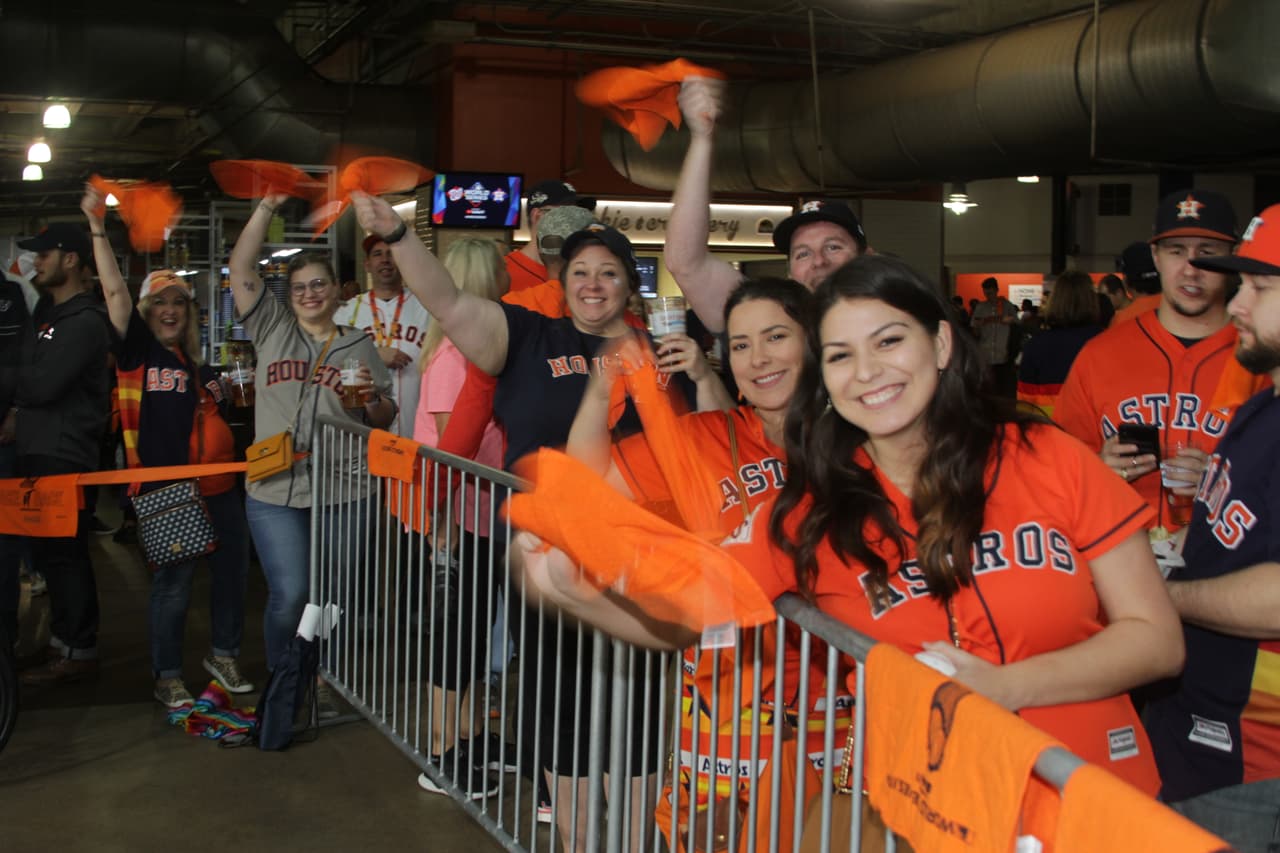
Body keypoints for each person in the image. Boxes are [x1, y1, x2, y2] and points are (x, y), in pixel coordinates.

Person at [518, 256, 1185, 796]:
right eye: (840, 355)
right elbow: (694, 611)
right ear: (824, 374)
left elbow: (1156, 640)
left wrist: (1006, 688)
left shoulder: (1048, 456)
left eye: (889, 341)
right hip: (931, 807)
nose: (867, 371)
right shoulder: (808, 509)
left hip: (1094, 794)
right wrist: (583, 585)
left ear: (942, 341)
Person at [351, 189, 692, 842]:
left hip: (639, 565)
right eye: (581, 271)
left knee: (642, 712)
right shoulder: (528, 333)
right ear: (562, 280)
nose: (594, 284)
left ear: (629, 285)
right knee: (563, 710)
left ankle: (635, 839)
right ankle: (575, 838)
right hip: (550, 561)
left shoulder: (657, 351)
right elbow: (447, 301)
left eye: (610, 272)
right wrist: (397, 233)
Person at [1142, 205, 1280, 850]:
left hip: (1257, 753)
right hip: (1202, 722)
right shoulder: (1264, 402)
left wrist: (1159, 598)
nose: (1237, 306)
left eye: (1261, 286)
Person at [82, 185, 252, 707]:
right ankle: (167, 675)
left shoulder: (193, 363)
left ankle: (222, 653)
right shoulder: (137, 351)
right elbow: (113, 293)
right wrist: (96, 226)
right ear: (146, 309)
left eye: (179, 300)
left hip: (220, 486)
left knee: (233, 574)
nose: (171, 309)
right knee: (174, 587)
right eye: (161, 301)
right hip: (167, 491)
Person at [227, 193, 395, 674]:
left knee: (334, 595)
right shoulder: (272, 330)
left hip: (345, 487)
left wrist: (364, 402)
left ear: (338, 292)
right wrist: (264, 207)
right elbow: (241, 267)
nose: (309, 293)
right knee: (292, 592)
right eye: (299, 287)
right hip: (274, 485)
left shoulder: (360, 345)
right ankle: (286, 677)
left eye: (318, 283)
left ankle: (324, 672)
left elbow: (383, 417)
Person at [1056, 189, 1267, 532]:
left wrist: (1225, 485)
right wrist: (1096, 469)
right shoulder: (1100, 355)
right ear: (1155, 257)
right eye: (1176, 251)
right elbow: (1056, 472)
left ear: (1233, 258)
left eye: (1208, 252)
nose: (1191, 269)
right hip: (1121, 558)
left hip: (1226, 566)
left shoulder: (1261, 359)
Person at [412, 236, 510, 787]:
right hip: (464, 518)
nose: (507, 275)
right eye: (499, 268)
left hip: (481, 515)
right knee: (459, 637)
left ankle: (468, 735)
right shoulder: (454, 356)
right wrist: (442, 523)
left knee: (471, 631)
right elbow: (452, 448)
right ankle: (443, 750)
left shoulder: (470, 349)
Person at [0, 222, 114, 685]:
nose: (37, 261)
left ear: (70, 259)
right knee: (49, 555)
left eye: (44, 253)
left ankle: (79, 649)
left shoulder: (84, 321)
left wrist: (15, 385)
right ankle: (60, 643)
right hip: (39, 448)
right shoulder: (51, 313)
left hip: (63, 454)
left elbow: (42, 385)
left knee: (65, 556)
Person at [664, 76, 865, 331]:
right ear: (791, 274)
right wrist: (703, 139)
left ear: (866, 258)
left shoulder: (898, 316)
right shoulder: (774, 319)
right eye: (802, 253)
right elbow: (685, 263)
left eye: (834, 246)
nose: (819, 261)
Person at [340, 233, 432, 437]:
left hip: (416, 425)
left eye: (391, 254)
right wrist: (375, 356)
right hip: (363, 431)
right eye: (377, 254)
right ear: (367, 265)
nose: (385, 260)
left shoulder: (426, 306)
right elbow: (331, 363)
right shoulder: (348, 311)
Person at [1017, 270, 1105, 418]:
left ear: (1056, 300)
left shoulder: (1036, 345)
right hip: (1095, 434)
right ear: (1091, 300)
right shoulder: (1106, 341)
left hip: (1050, 431)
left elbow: (1025, 405)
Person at [506, 180, 596, 293]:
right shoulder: (503, 272)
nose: (576, 220)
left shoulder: (583, 272)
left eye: (578, 213)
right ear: (538, 216)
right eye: (567, 214)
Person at [970, 276, 1019, 396]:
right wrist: (977, 326)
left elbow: (1017, 322)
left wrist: (1008, 320)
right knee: (987, 390)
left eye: (990, 293)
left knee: (1002, 389)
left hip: (1003, 355)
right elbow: (974, 329)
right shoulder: (981, 307)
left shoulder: (1007, 306)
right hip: (985, 354)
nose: (988, 296)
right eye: (985, 293)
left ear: (996, 290)